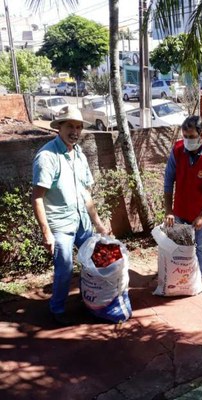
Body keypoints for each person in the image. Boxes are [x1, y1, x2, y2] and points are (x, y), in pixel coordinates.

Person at [32, 106, 108, 326]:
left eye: (78, 127)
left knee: (93, 261)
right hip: (61, 225)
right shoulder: (47, 157)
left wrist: (99, 225)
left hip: (82, 222)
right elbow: (37, 197)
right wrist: (47, 233)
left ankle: (88, 299)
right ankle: (57, 309)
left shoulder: (79, 154)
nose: (75, 131)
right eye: (70, 126)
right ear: (59, 128)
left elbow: (86, 194)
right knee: (65, 268)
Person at [164, 115, 202, 279]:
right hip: (180, 210)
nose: (187, 140)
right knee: (178, 245)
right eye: (184, 136)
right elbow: (168, 181)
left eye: (191, 137)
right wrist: (168, 210)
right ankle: (180, 277)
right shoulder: (177, 150)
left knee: (201, 247)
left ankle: (199, 276)